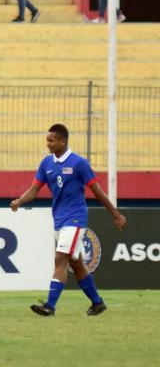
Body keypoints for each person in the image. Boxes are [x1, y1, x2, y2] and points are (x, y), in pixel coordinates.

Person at [10, 124, 127, 317]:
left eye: (51, 140)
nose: (47, 144)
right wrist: (19, 201)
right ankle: (97, 303)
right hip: (59, 219)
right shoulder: (46, 163)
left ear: (62, 141)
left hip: (75, 219)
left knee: (60, 258)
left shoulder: (79, 163)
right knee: (76, 263)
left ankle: (50, 306)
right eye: (47, 140)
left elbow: (97, 192)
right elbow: (34, 189)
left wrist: (116, 214)